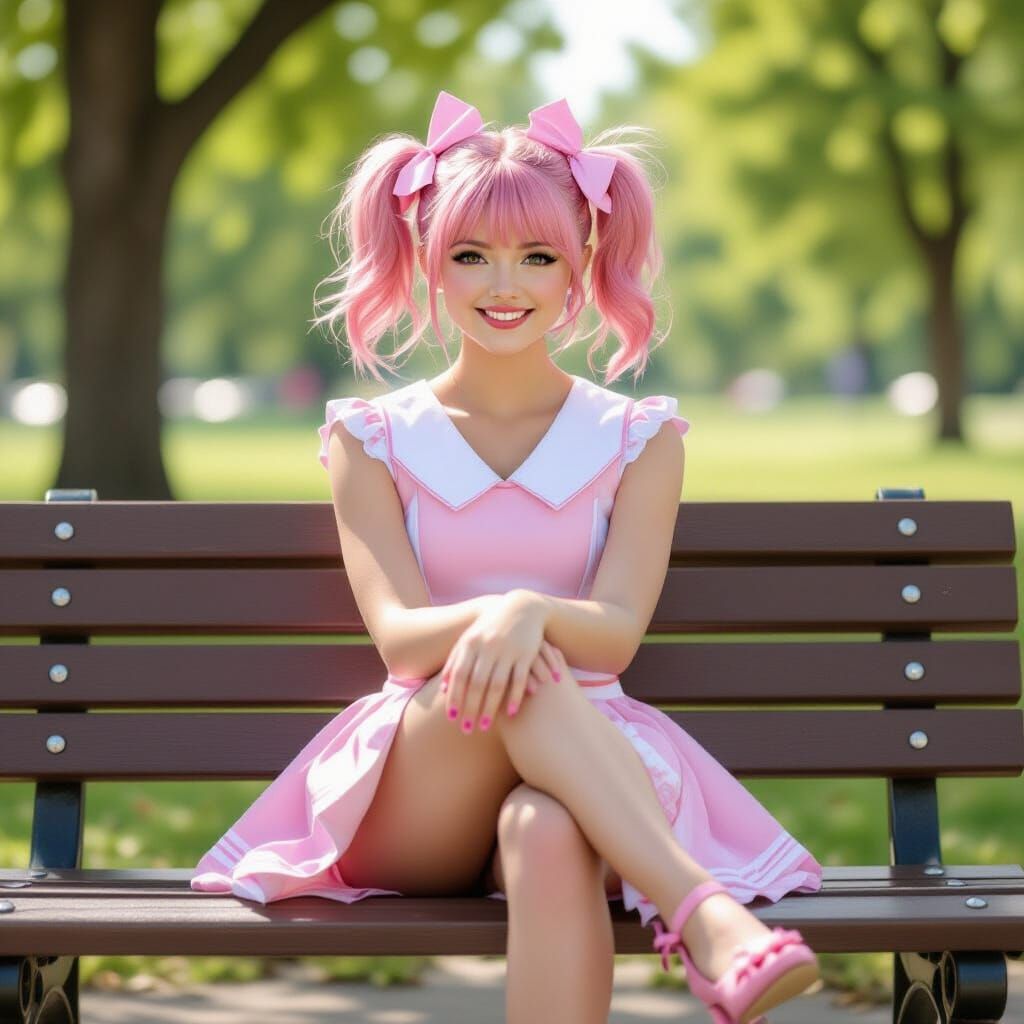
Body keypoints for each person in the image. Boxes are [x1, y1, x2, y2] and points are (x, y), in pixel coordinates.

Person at [191, 90, 824, 1024]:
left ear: (581, 269)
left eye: (538, 257)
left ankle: (700, 919)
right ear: (426, 264)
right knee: (522, 670)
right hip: (419, 792)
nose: (505, 285)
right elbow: (404, 645)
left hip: (594, 773)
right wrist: (511, 617)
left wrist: (528, 614)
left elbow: (612, 639)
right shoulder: (372, 439)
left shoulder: (638, 439)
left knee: (549, 826)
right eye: (470, 256)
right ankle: (706, 917)